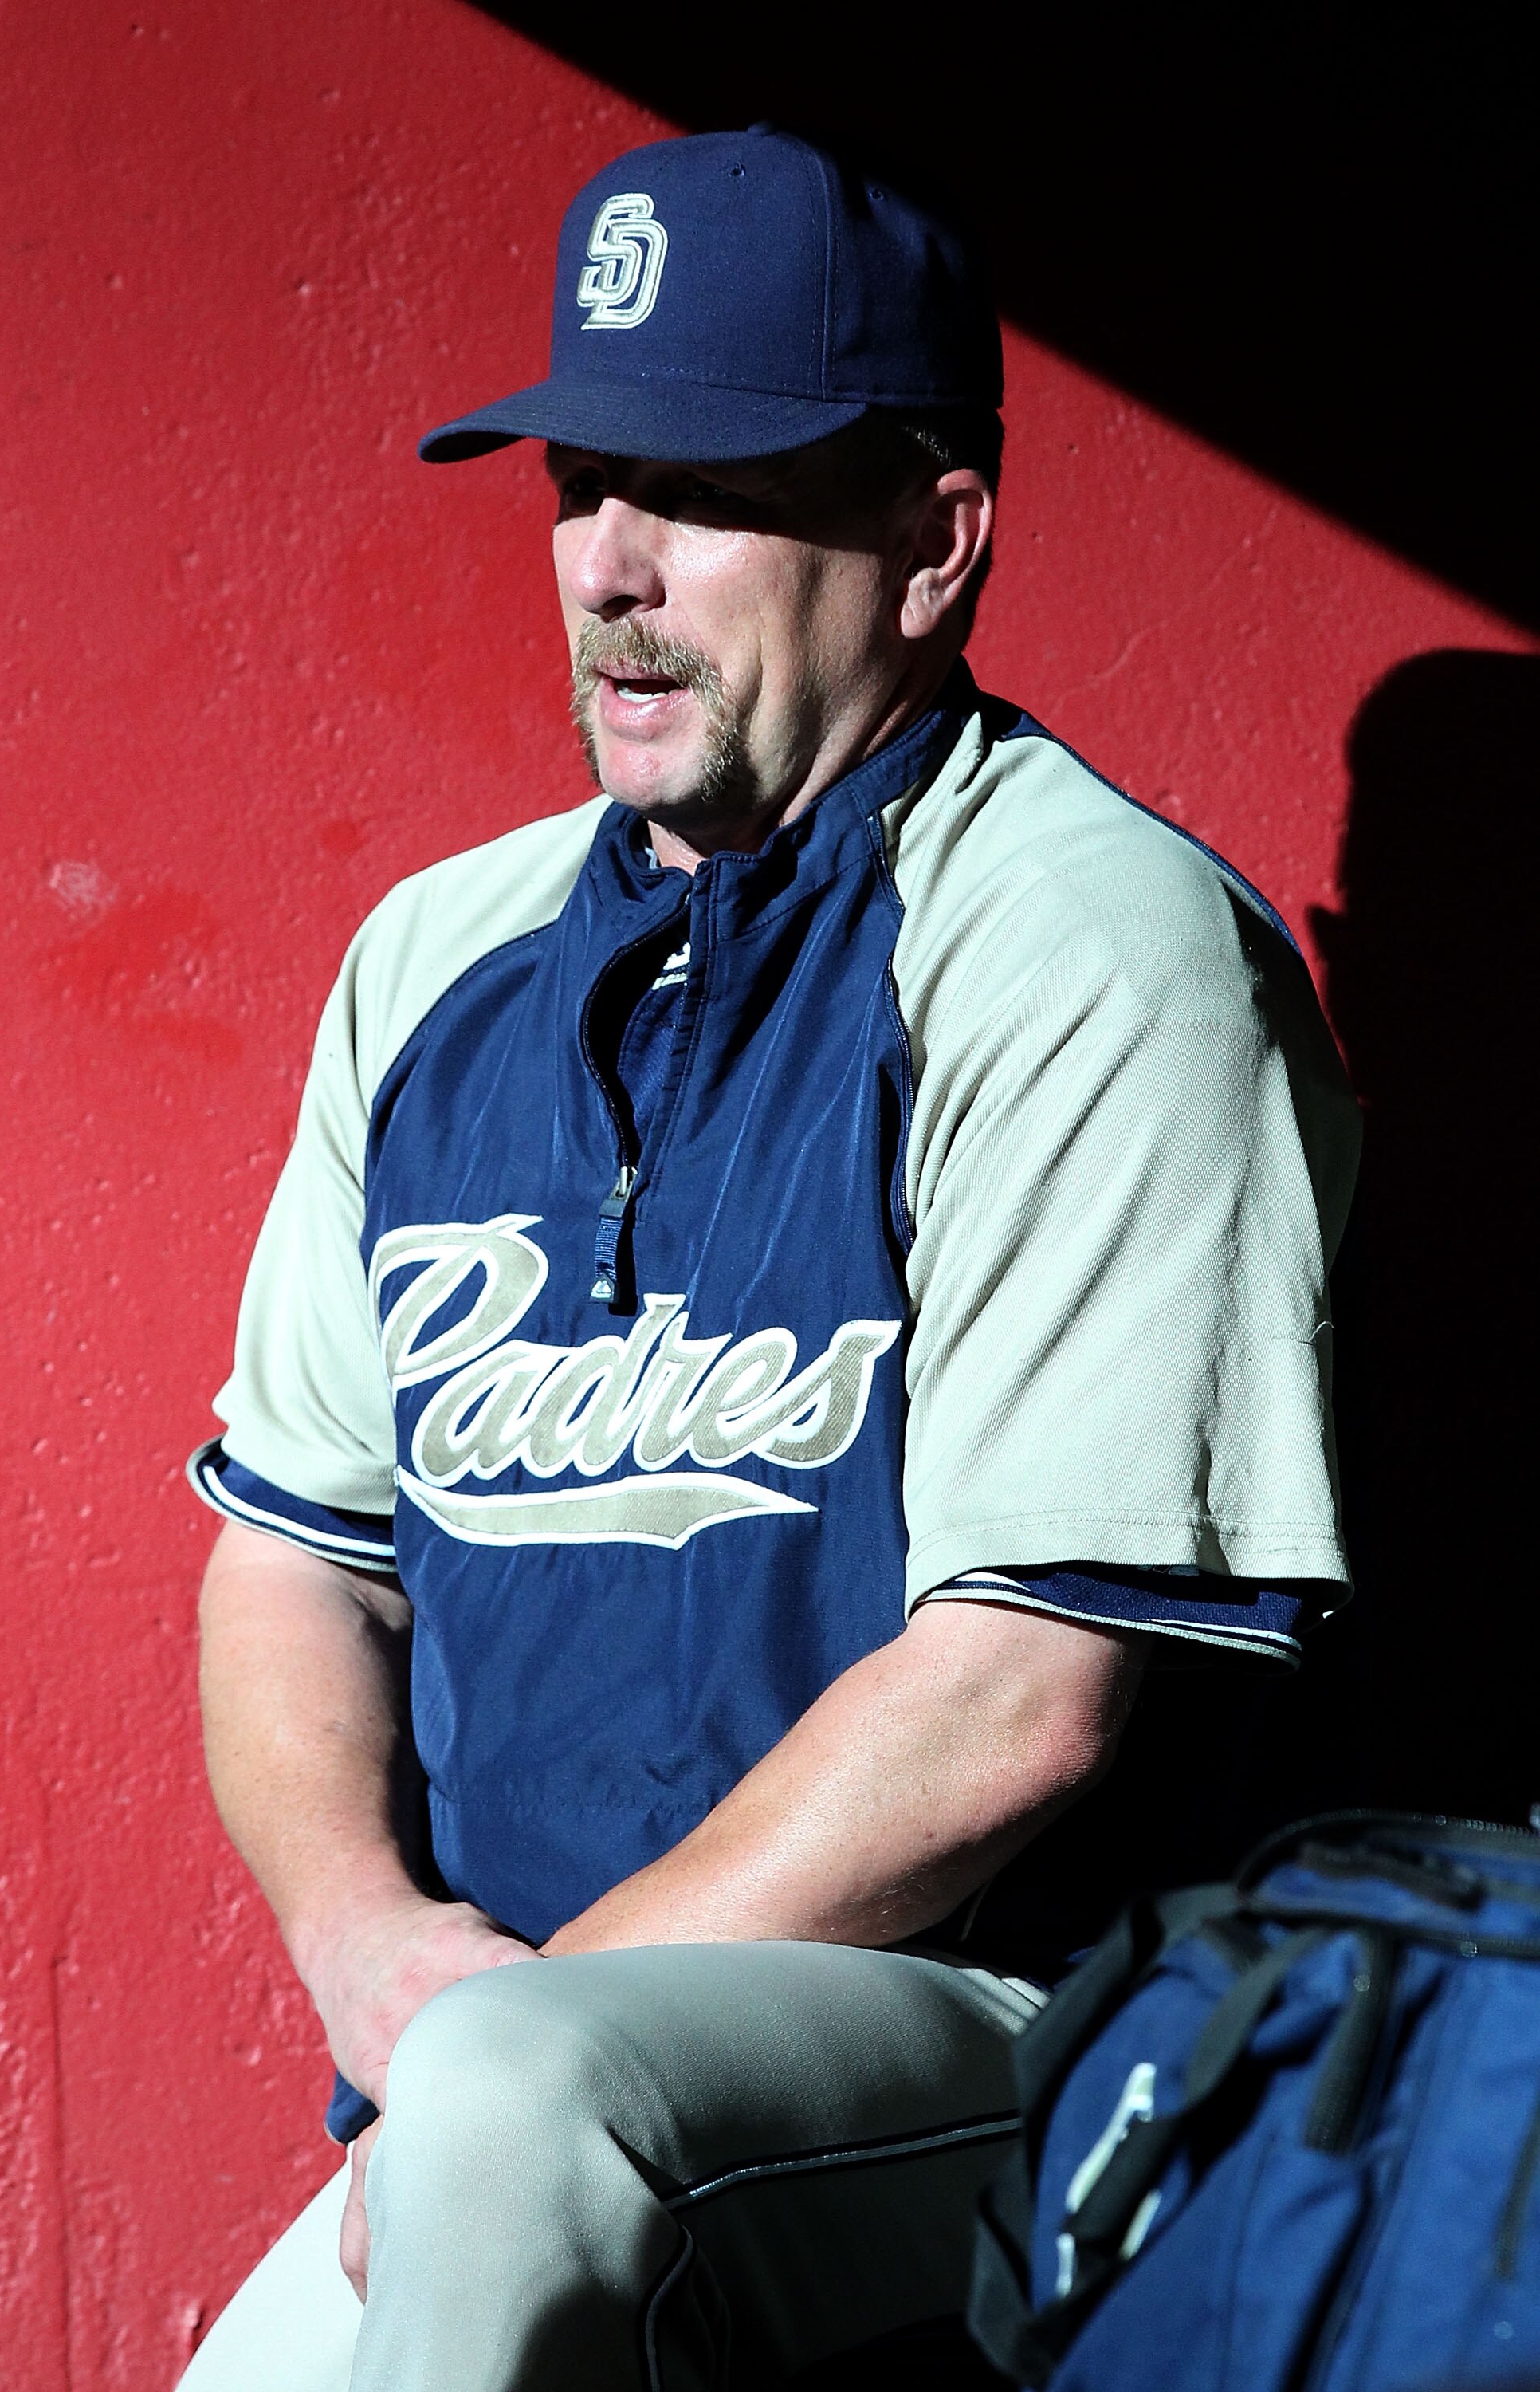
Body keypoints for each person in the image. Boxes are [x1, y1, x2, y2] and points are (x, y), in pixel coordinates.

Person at [179, 125, 1359, 2391]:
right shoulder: (437, 959)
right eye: (581, 481)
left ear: (935, 542)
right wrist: (366, 1943)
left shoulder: (1090, 952)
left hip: (1023, 2033)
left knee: (518, 2119)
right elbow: (294, 1559)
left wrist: (498, 2053)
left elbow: (1024, 1695)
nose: (610, 569)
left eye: (706, 493)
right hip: (518, 2073)